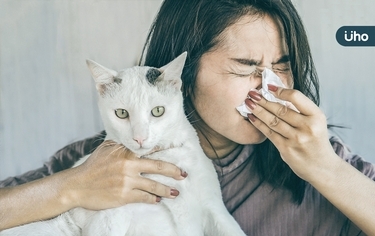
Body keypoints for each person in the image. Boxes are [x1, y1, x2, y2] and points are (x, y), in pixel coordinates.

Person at [1, 0, 375, 235]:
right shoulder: (98, 160)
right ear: (184, 74)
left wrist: (327, 170)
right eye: (246, 68)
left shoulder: (325, 159)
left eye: (282, 66)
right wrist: (70, 187)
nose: (269, 88)